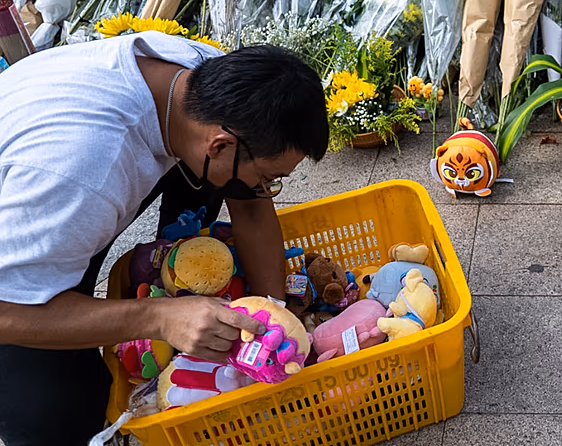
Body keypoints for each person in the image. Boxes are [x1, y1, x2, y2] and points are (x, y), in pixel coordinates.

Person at [0, 31, 329, 445]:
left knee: (220, 179)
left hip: (48, 193)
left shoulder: (199, 75)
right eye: (268, 178)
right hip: (17, 254)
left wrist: (273, 316)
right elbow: (7, 311)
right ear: (221, 143)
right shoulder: (85, 174)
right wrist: (160, 319)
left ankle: (171, 264)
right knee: (59, 410)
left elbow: (248, 203)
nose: (266, 190)